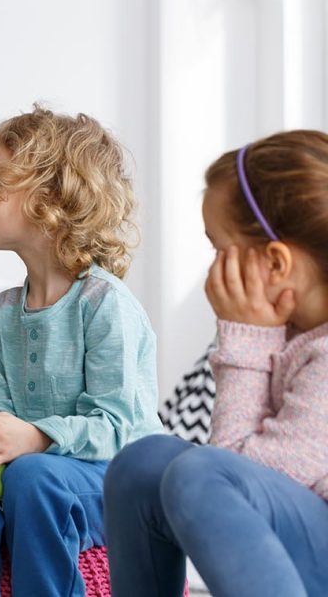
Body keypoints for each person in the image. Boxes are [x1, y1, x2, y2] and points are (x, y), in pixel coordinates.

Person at [0, 106, 162, 597]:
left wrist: (34, 438)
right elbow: (2, 412)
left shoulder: (106, 304)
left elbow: (116, 428)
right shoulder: (1, 313)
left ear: (52, 199)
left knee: (33, 477)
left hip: (117, 479)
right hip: (37, 470)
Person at [104, 130, 328, 597]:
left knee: (201, 471)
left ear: (276, 264)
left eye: (218, 249)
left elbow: (240, 477)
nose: (213, 269)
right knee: (143, 462)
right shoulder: (294, 332)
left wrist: (245, 342)